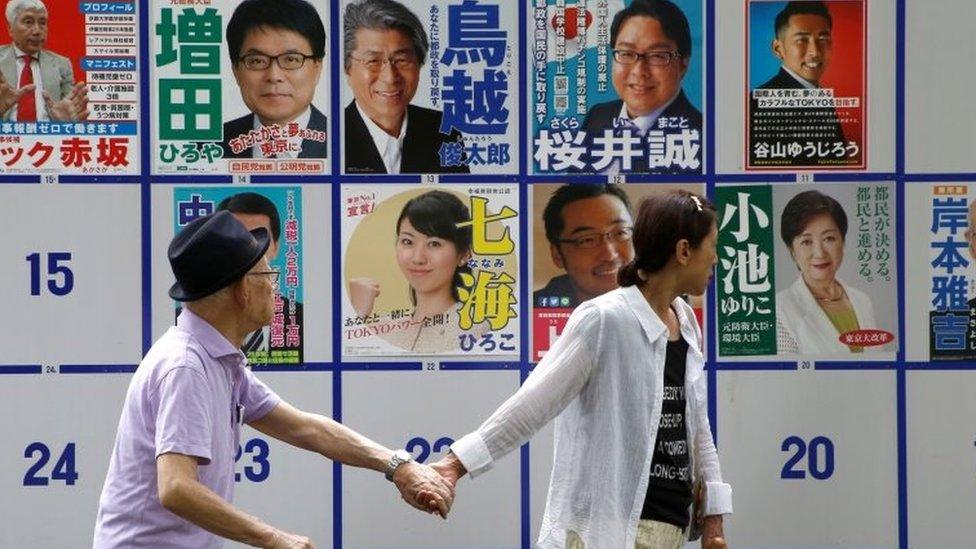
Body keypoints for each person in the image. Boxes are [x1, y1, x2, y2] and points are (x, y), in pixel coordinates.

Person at [93, 211, 453, 548]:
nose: (276, 288)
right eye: (268, 275)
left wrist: (397, 466)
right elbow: (175, 487)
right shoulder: (186, 366)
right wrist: (275, 540)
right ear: (242, 290)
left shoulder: (217, 358)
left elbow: (305, 429)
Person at [429, 190, 732, 549]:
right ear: (683, 251)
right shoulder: (605, 318)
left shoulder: (686, 322)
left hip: (669, 529)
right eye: (711, 247)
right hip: (604, 531)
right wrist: (455, 464)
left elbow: (698, 429)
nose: (715, 259)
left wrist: (713, 522)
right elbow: (534, 402)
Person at [342, 0, 468, 174]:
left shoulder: (444, 131)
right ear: (347, 68)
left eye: (401, 60)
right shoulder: (329, 138)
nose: (390, 77)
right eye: (373, 61)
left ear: (419, 63)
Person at [349, 190, 478, 353]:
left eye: (434, 244)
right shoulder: (380, 328)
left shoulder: (478, 330)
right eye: (407, 241)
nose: (418, 258)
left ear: (463, 255)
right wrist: (357, 314)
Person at [580, 0, 701, 174]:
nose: (639, 71)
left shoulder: (704, 138)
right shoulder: (598, 116)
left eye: (657, 56)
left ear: (683, 63)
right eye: (626, 53)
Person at [776, 189, 879, 354]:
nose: (820, 253)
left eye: (829, 238)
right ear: (792, 251)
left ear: (843, 242)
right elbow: (786, 378)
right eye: (806, 241)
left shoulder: (863, 300)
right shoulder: (780, 309)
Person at [221, 0, 328, 159]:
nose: (274, 76)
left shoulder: (347, 143)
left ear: (317, 67)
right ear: (235, 69)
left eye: (291, 59)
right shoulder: (209, 148)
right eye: (256, 61)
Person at [748, 1, 846, 167]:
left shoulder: (820, 95)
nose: (815, 52)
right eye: (802, 40)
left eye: (823, 39)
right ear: (778, 49)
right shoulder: (756, 104)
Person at [218, 192, 303, 363]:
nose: (249, 250)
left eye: (260, 239)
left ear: (276, 247)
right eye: (238, 239)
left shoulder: (301, 319)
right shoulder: (193, 318)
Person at [534, 183, 635, 309]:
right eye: (587, 240)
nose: (610, 255)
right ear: (558, 255)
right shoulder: (528, 313)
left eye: (620, 233)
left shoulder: (661, 302)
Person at [0, 0, 88, 121]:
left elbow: (72, 112)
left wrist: (65, 123)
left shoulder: (62, 64)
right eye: (28, 22)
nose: (37, 31)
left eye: (42, 23)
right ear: (10, 28)